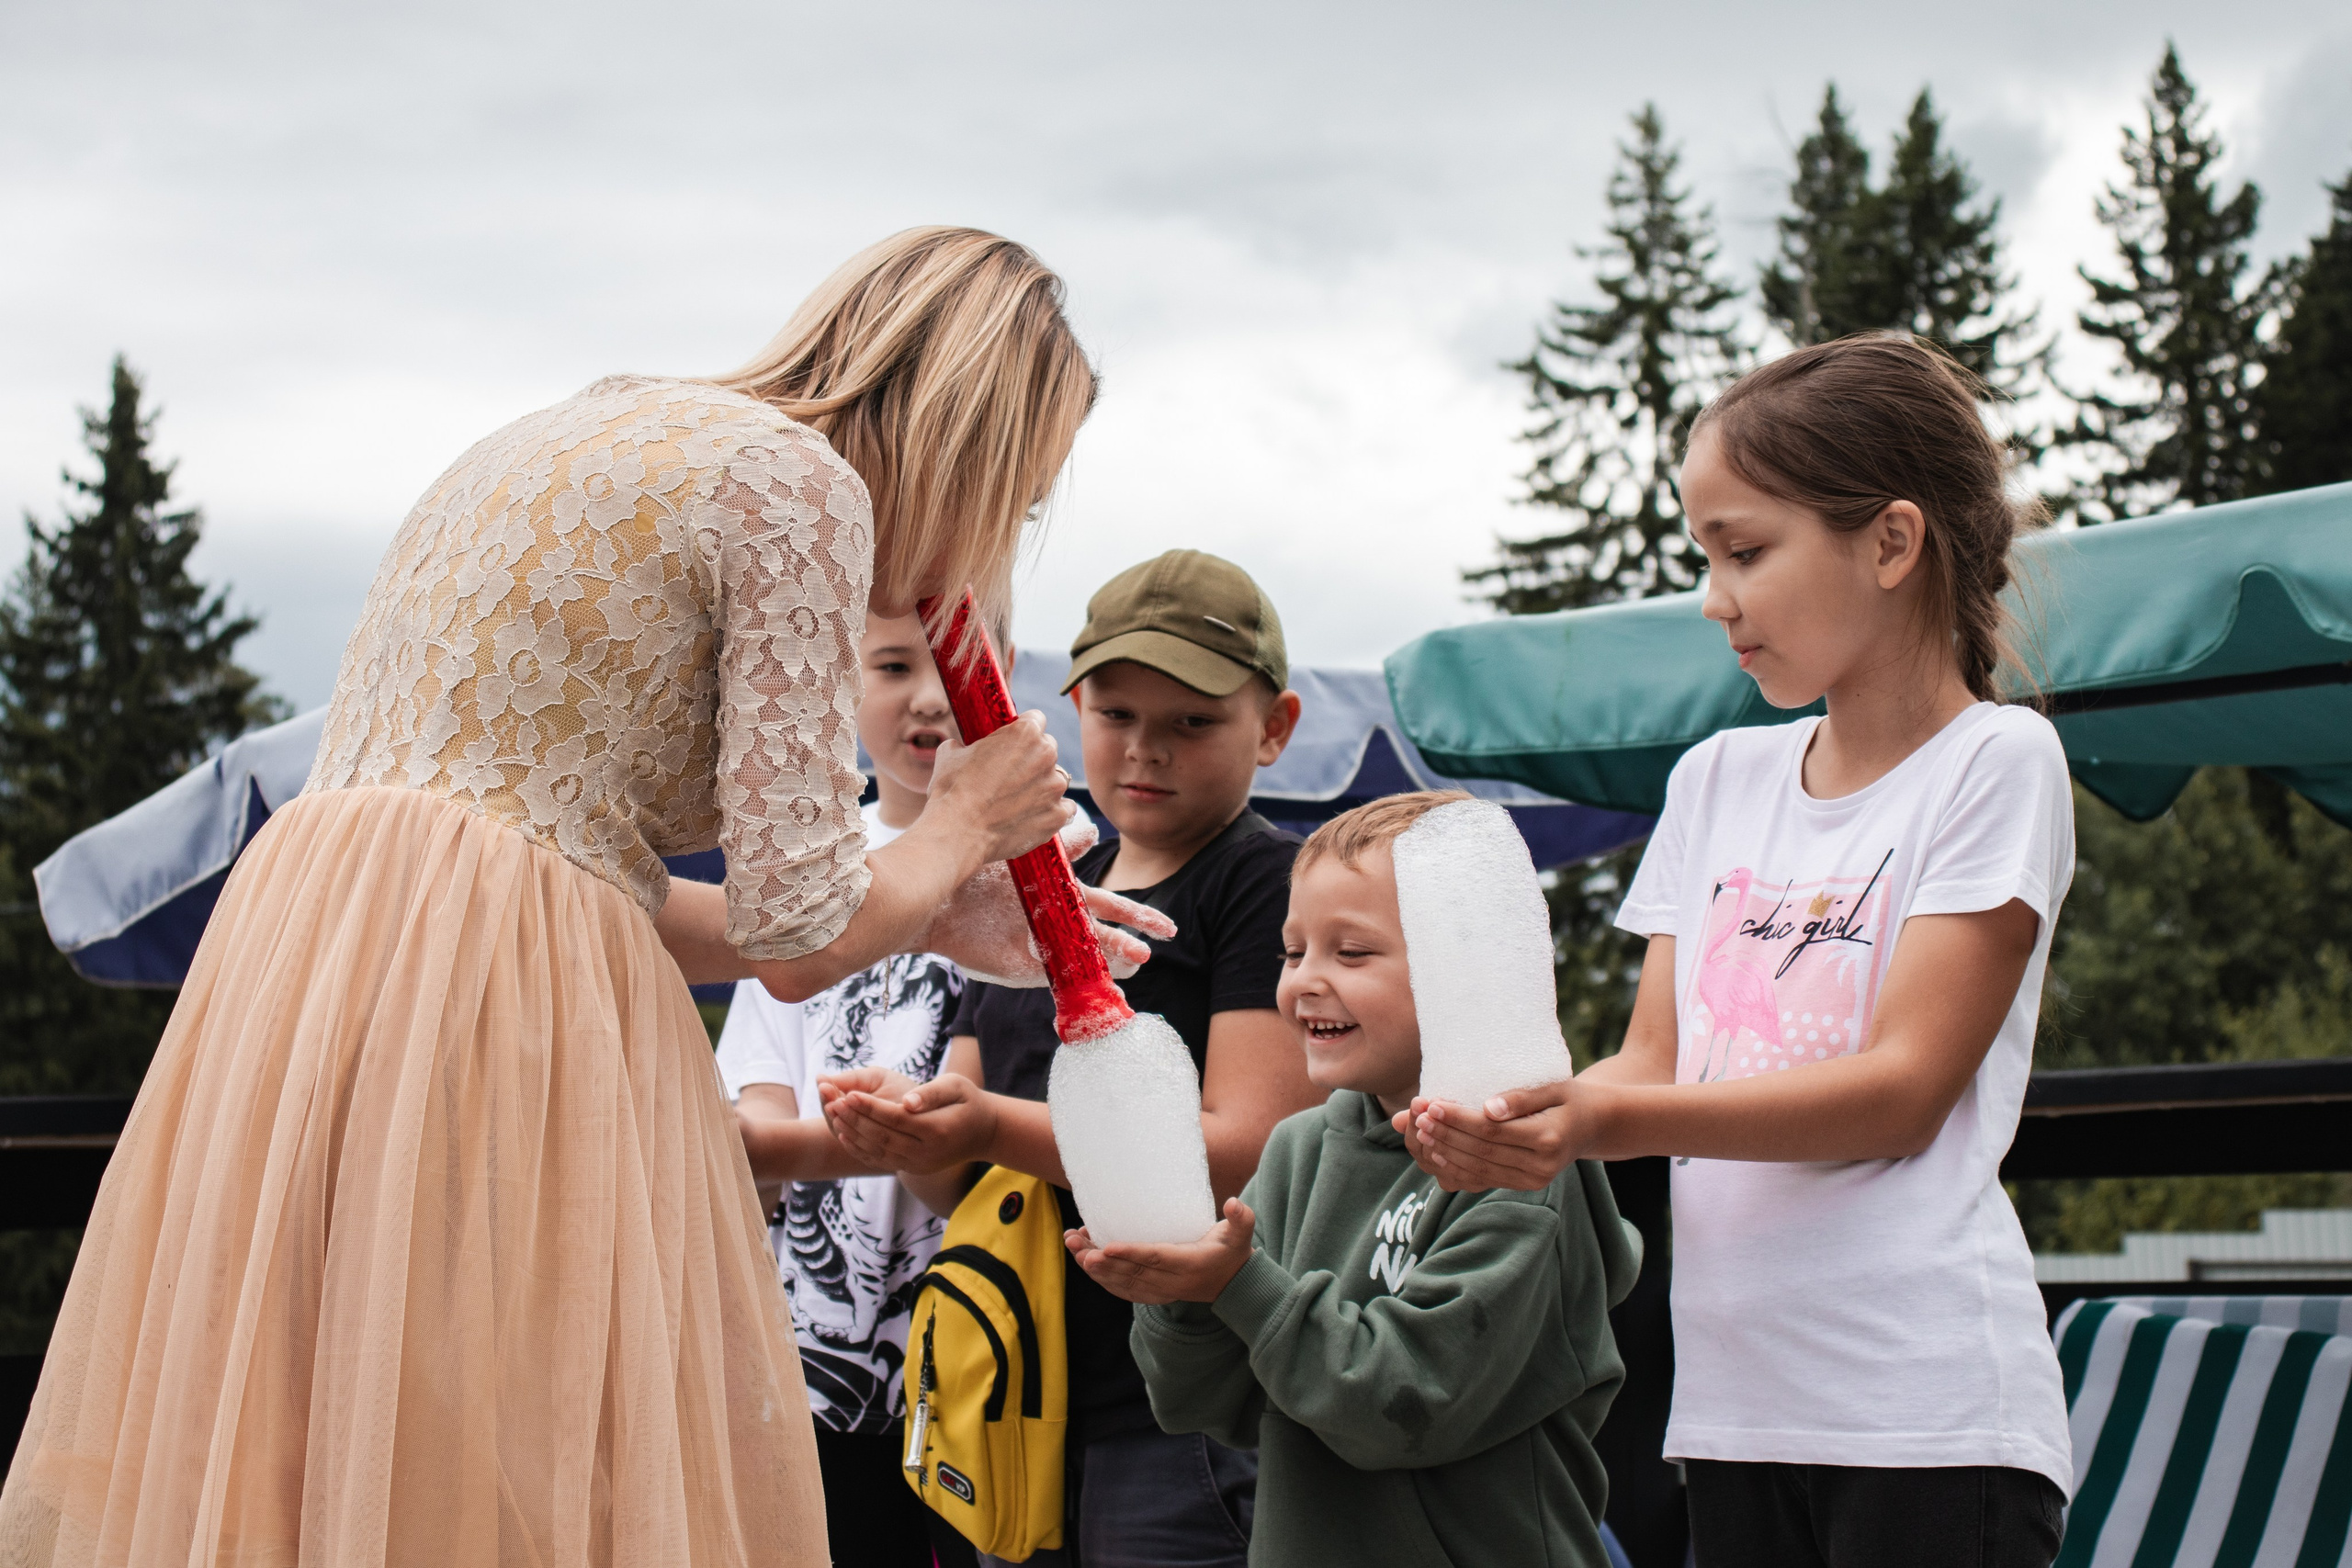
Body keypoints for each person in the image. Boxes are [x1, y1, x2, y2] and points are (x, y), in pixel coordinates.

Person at [0, 227, 1154, 1568]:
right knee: (518, 1455)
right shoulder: (803, 489)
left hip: (315, 952)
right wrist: (964, 823)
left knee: (327, 1432)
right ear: (975, 435)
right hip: (496, 1010)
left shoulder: (580, 425)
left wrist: (932, 910)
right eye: (1016, 496)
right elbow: (795, 939)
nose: (997, 535)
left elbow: (570, 867)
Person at [1400, 335, 2075, 1568]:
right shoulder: (1716, 777)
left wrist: (1594, 1124)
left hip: (1931, 1422)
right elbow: (1652, 1055)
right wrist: (1513, 1118)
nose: (1715, 597)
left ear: (1890, 543)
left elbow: (1902, 1090)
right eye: (1706, 557)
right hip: (1730, 1411)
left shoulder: (1997, 763)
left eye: (1745, 551)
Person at [824, 550, 1327, 1567]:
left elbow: (1240, 1150)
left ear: (1273, 729)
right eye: (1116, 715)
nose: (1147, 751)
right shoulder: (1044, 878)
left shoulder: (1263, 884)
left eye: (1192, 722)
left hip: (1182, 1404)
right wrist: (909, 1126)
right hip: (1011, 1389)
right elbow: (947, 1176)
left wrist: (982, 1125)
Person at [1070, 789, 1641, 1567]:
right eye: (1293, 949)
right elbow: (1207, 1403)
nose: (1304, 978)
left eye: (1353, 951)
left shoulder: (1521, 1164)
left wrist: (1239, 1284)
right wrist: (1181, 1296)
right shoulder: (1299, 1146)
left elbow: (1403, 1407)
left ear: (1465, 961)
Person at [714, 610, 997, 1568]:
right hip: (816, 1344)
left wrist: (792, 1144)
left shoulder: (1042, 856)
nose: (928, 695)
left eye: (956, 664)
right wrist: (768, 1141)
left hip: (975, 1326)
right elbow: (760, 1082)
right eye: (891, 665)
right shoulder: (808, 868)